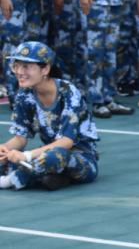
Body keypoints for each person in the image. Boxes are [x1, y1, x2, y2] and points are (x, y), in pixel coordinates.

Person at [0, 41, 98, 190]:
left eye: (26, 66)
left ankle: (10, 180)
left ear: (45, 69)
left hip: (79, 158)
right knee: (10, 158)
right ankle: (52, 178)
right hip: (45, 154)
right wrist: (4, 148)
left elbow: (66, 142)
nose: (19, 71)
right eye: (16, 66)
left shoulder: (68, 92)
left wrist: (26, 156)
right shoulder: (24, 95)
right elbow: (20, 138)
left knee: (55, 156)